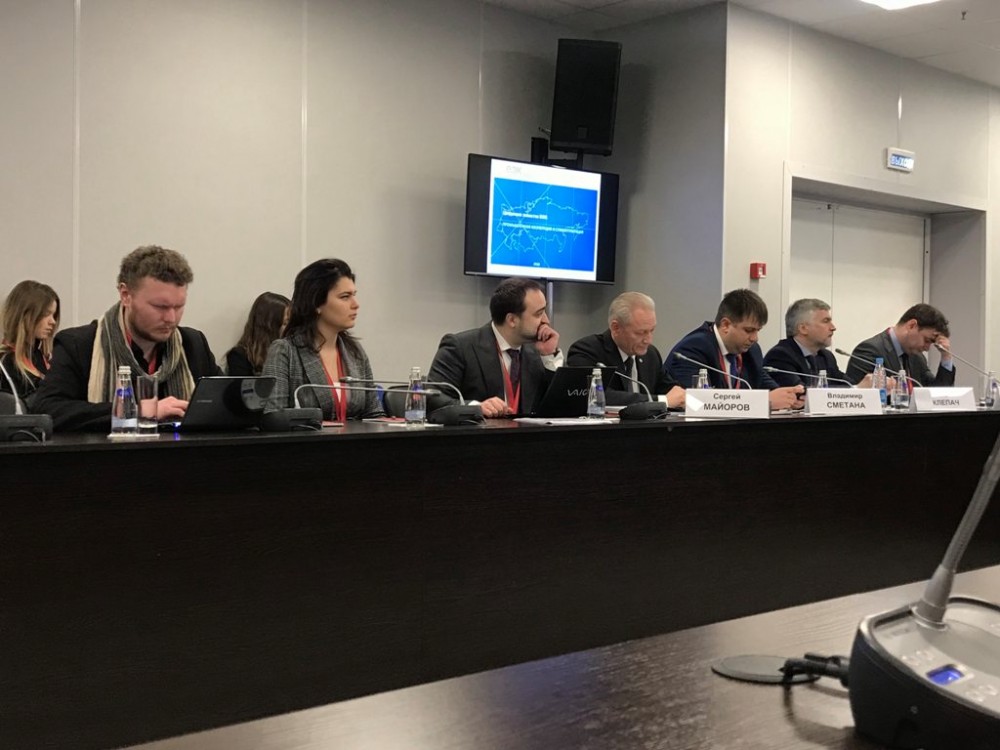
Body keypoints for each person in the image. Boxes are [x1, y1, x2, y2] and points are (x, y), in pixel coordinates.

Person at [32, 245, 222, 431]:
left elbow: (225, 405)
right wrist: (137, 411)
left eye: (179, 306)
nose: (171, 318)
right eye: (160, 307)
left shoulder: (193, 344)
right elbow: (47, 410)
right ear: (126, 295)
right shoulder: (78, 345)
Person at [262, 258, 383, 421]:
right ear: (316, 303)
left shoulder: (355, 352)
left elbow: (374, 413)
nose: (356, 304)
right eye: (345, 297)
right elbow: (273, 417)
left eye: (354, 295)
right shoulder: (285, 351)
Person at [427, 277, 562, 418]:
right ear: (512, 320)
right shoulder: (460, 347)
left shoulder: (536, 353)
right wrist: (476, 407)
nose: (546, 320)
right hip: (480, 431)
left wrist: (548, 356)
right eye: (539, 314)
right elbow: (432, 399)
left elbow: (560, 406)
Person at [665, 288, 803, 410]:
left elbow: (764, 384)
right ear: (726, 325)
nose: (755, 338)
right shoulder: (693, 349)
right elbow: (696, 403)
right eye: (749, 330)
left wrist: (790, 396)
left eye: (758, 330)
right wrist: (765, 402)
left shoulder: (752, 351)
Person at [567, 291, 684, 407]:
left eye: (651, 330)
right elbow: (596, 395)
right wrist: (661, 401)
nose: (648, 340)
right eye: (640, 332)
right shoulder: (586, 351)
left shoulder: (651, 355)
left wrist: (684, 398)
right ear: (616, 328)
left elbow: (671, 391)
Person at [763, 298, 872, 388]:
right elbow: (801, 393)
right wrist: (857, 389)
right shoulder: (781, 356)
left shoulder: (825, 356)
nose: (833, 327)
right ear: (803, 328)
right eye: (826, 321)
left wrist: (865, 386)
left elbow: (846, 384)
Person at [846, 303, 956, 387]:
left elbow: (936, 394)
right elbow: (859, 398)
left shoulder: (918, 358)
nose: (927, 348)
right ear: (911, 325)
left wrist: (946, 356)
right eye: (927, 340)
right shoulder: (868, 351)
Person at [0, 280, 60, 407]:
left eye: (54, 315)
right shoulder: (4, 364)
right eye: (46, 314)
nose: (52, 321)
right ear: (24, 315)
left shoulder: (46, 359)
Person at [225, 291, 290, 376]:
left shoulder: (291, 352)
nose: (292, 328)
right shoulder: (239, 357)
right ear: (270, 327)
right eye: (286, 323)